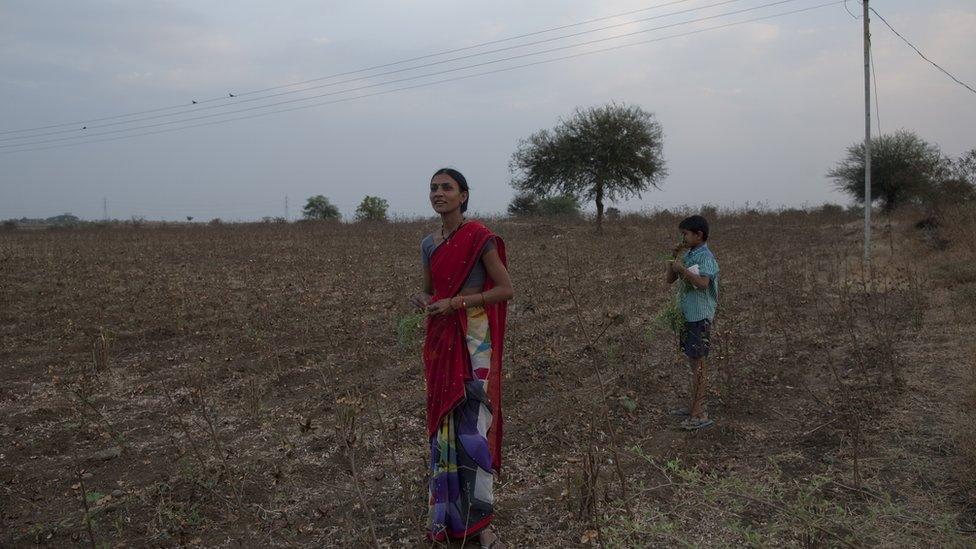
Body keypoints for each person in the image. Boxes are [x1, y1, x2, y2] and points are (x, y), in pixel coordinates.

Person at [409, 168, 514, 548]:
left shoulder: (479, 238)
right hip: (440, 343)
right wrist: (425, 300)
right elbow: (428, 291)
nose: (438, 193)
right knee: (443, 431)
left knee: (472, 431)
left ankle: (482, 525)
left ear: (463, 196)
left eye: (446, 188)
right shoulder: (428, 244)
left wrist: (458, 302)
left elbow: (505, 289)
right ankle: (447, 519)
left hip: (473, 342)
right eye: (433, 188)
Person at [666, 215, 720, 431]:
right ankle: (694, 407)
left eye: (685, 234)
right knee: (693, 362)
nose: (683, 238)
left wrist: (683, 270)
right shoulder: (689, 254)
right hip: (688, 316)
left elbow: (703, 283)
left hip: (699, 317)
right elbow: (669, 280)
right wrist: (673, 261)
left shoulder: (706, 257)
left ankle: (700, 413)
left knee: (698, 364)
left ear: (699, 235)